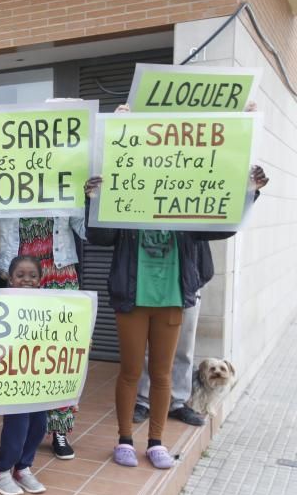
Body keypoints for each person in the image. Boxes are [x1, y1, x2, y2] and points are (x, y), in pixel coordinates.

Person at [84, 171, 264, 469]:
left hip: (170, 301)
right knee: (130, 372)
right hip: (132, 300)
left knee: (162, 373)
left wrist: (249, 193)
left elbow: (223, 226)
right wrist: (93, 200)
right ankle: (125, 440)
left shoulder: (184, 206)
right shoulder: (125, 201)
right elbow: (99, 236)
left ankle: (156, 442)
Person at [0, 160, 84, 460]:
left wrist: (91, 198)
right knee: (22, 357)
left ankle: (60, 429)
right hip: (18, 279)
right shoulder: (4, 189)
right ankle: (19, 425)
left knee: (57, 355)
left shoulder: (65, 187)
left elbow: (85, 230)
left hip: (59, 278)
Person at [0, 256, 50, 495]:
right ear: (9, 279)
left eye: (33, 276)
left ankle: (24, 467)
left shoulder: (49, 306)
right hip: (13, 378)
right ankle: (2, 470)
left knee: (39, 425)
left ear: (40, 281)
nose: (26, 280)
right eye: (20, 275)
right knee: (17, 426)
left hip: (38, 378)